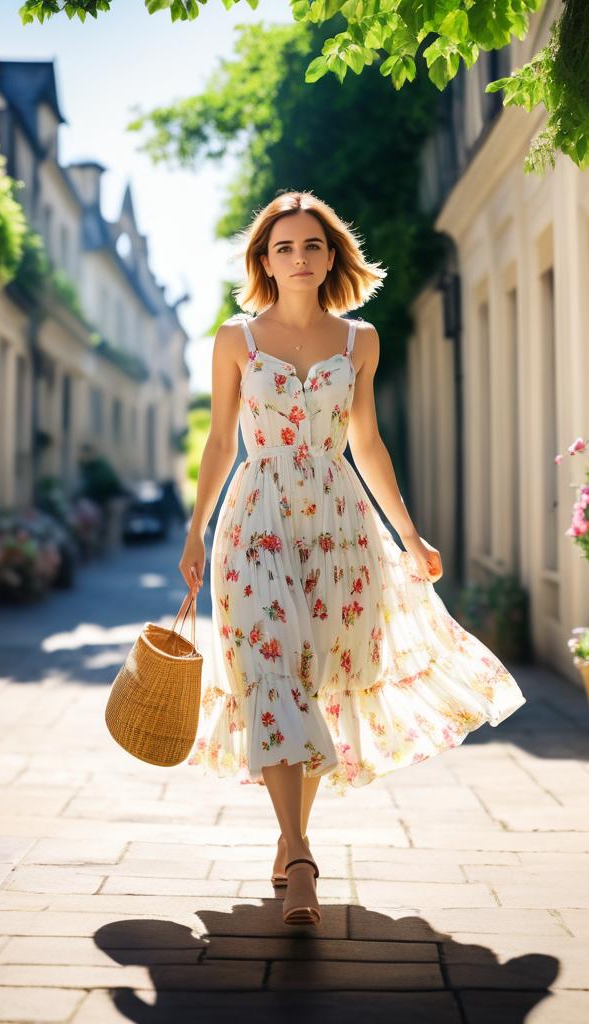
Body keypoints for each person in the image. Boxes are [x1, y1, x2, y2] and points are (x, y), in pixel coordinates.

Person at [178, 191, 527, 927]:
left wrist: (410, 534)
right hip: (255, 520)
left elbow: (366, 443)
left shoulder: (359, 342)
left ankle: (288, 834)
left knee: (316, 680)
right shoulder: (234, 339)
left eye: (311, 245)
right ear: (264, 262)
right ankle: (301, 856)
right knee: (269, 668)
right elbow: (218, 442)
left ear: (331, 255)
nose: (298, 258)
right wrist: (196, 528)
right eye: (283, 248)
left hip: (340, 525)